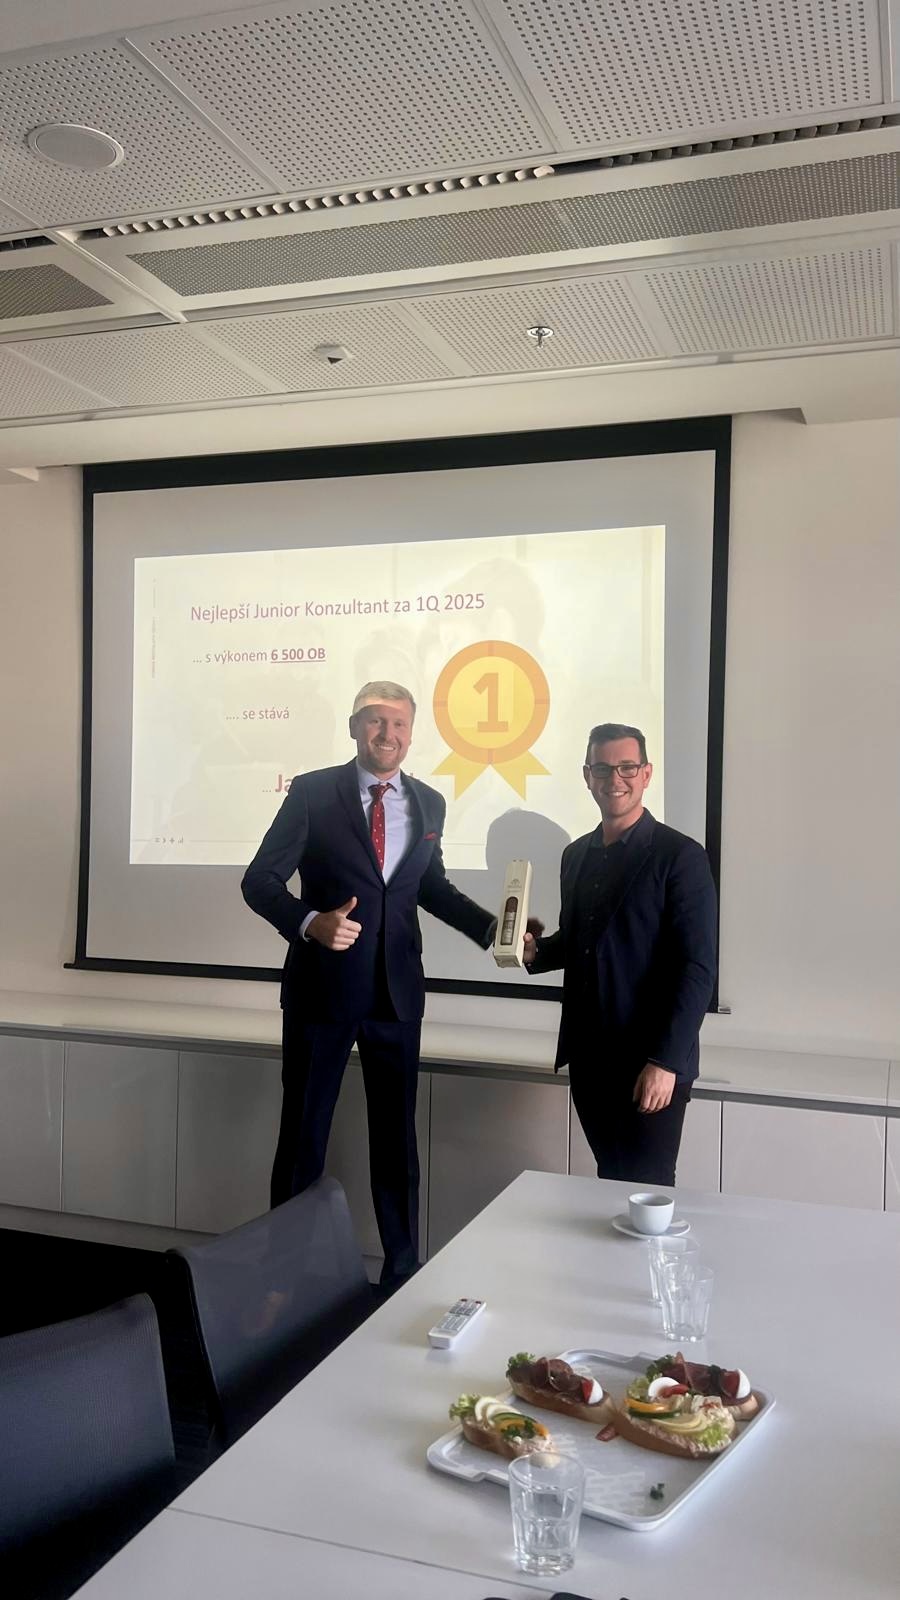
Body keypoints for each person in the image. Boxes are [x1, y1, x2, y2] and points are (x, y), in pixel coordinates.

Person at [241, 681, 496, 1289]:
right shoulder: (312, 792)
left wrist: (496, 931)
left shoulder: (428, 802)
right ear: (355, 727)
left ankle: (402, 1272)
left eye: (399, 724)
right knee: (303, 1138)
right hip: (322, 993)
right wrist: (310, 922)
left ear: (412, 732)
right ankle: (285, 1282)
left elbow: (429, 887)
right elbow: (259, 881)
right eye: (377, 721)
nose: (389, 734)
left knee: (397, 1141)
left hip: (396, 996)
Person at [524, 723, 717, 1186]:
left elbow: (697, 969)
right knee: (609, 1180)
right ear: (587, 776)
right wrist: (533, 952)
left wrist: (665, 1062)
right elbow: (582, 941)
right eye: (603, 768)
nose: (615, 779)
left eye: (627, 767)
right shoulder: (576, 856)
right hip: (589, 1059)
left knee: (647, 1189)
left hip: (649, 1061)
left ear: (646, 774)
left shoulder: (680, 856)